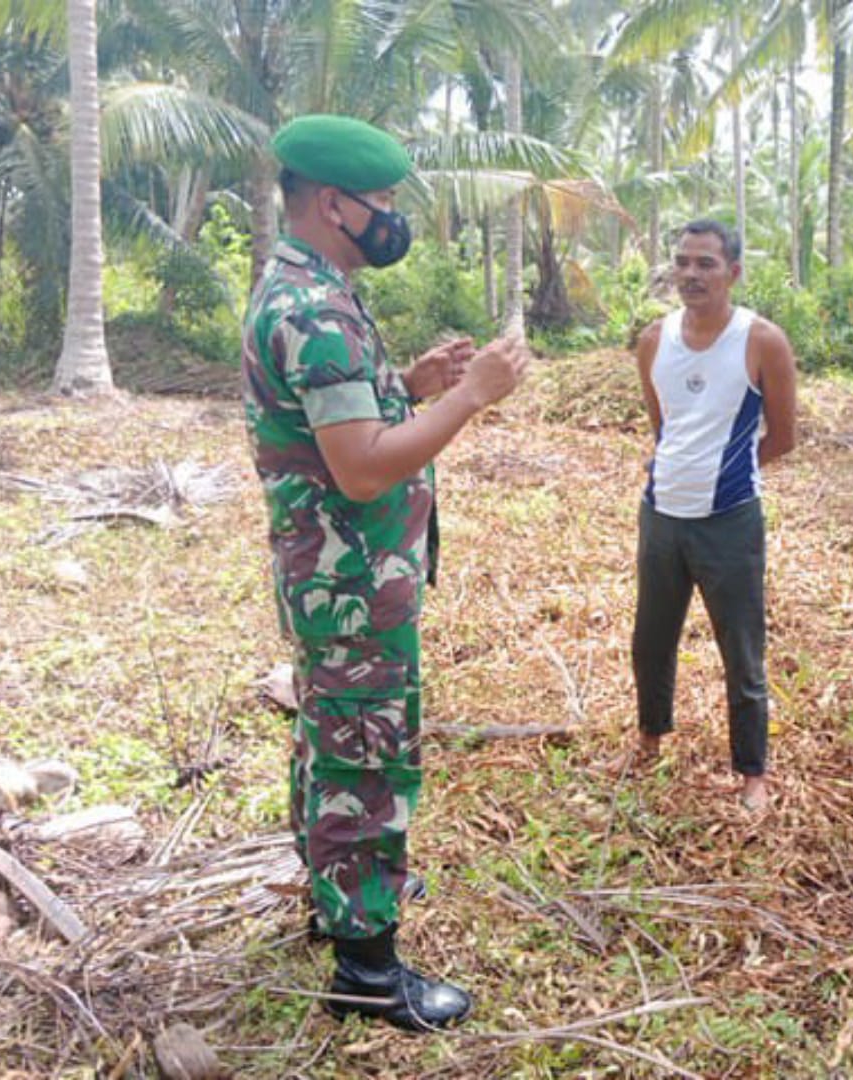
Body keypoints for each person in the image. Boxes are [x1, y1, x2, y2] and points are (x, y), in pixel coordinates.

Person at [241, 113, 530, 1032]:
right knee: (365, 758)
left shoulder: (308, 287)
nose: (393, 219)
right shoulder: (315, 309)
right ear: (334, 203)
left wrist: (411, 379)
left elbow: (334, 424)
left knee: (331, 740)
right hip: (353, 579)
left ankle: (333, 907)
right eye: (384, 204)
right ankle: (367, 970)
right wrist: (469, 396)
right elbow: (364, 466)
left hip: (334, 575)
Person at [627, 220, 797, 811]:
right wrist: (681, 476)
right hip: (662, 514)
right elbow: (662, 427)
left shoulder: (762, 341)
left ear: (734, 272)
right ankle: (650, 738)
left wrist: (728, 480)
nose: (692, 274)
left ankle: (753, 772)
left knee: (742, 648)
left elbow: (784, 436)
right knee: (652, 638)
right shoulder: (654, 339)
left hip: (730, 521)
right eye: (683, 262)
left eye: (706, 263)